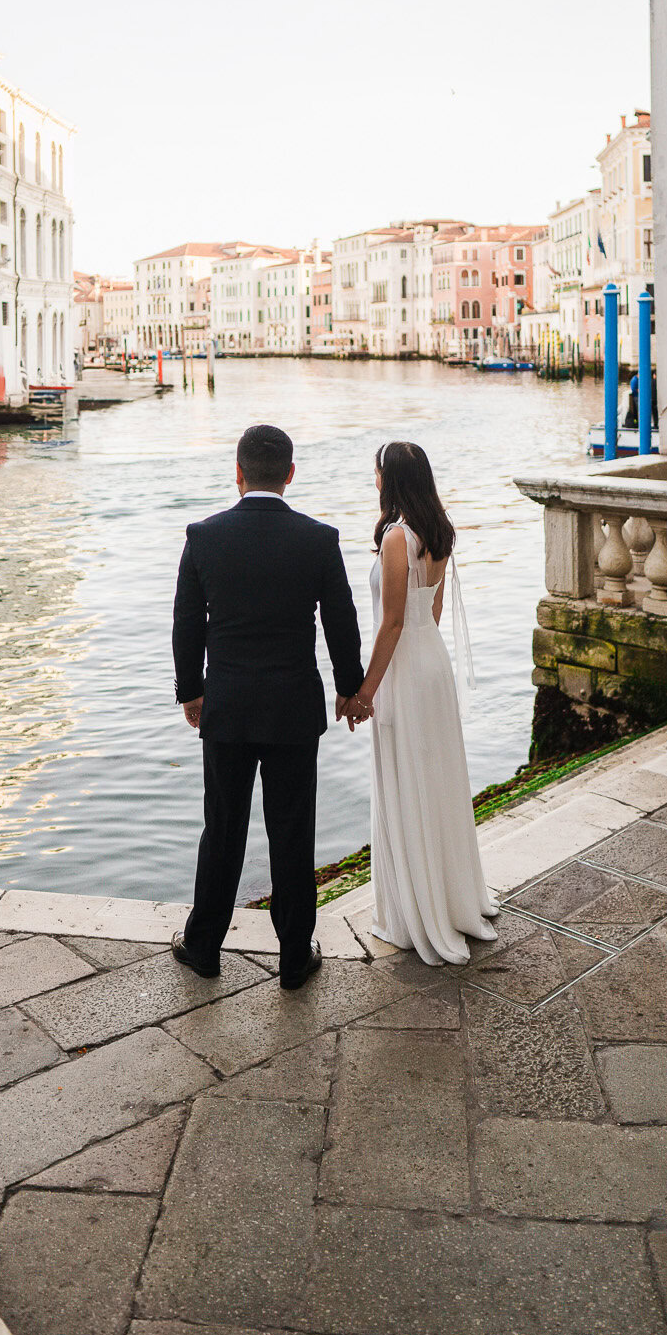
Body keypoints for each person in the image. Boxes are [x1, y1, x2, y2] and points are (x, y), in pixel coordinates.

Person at [171, 422, 365, 990]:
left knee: (223, 828)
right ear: (290, 475)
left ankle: (204, 947)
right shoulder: (318, 539)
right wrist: (349, 687)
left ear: (237, 474)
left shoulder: (204, 537)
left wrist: (192, 691)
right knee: (292, 829)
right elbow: (341, 624)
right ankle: (294, 956)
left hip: (226, 707)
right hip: (292, 710)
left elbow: (186, 626)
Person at [347, 440, 497, 965]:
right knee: (434, 779)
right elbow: (429, 610)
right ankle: (452, 897)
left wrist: (366, 691)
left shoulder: (396, 538)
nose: (375, 481)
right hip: (432, 663)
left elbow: (390, 623)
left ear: (389, 479)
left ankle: (414, 910)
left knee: (406, 779)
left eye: (377, 473)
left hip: (404, 668)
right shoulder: (438, 532)